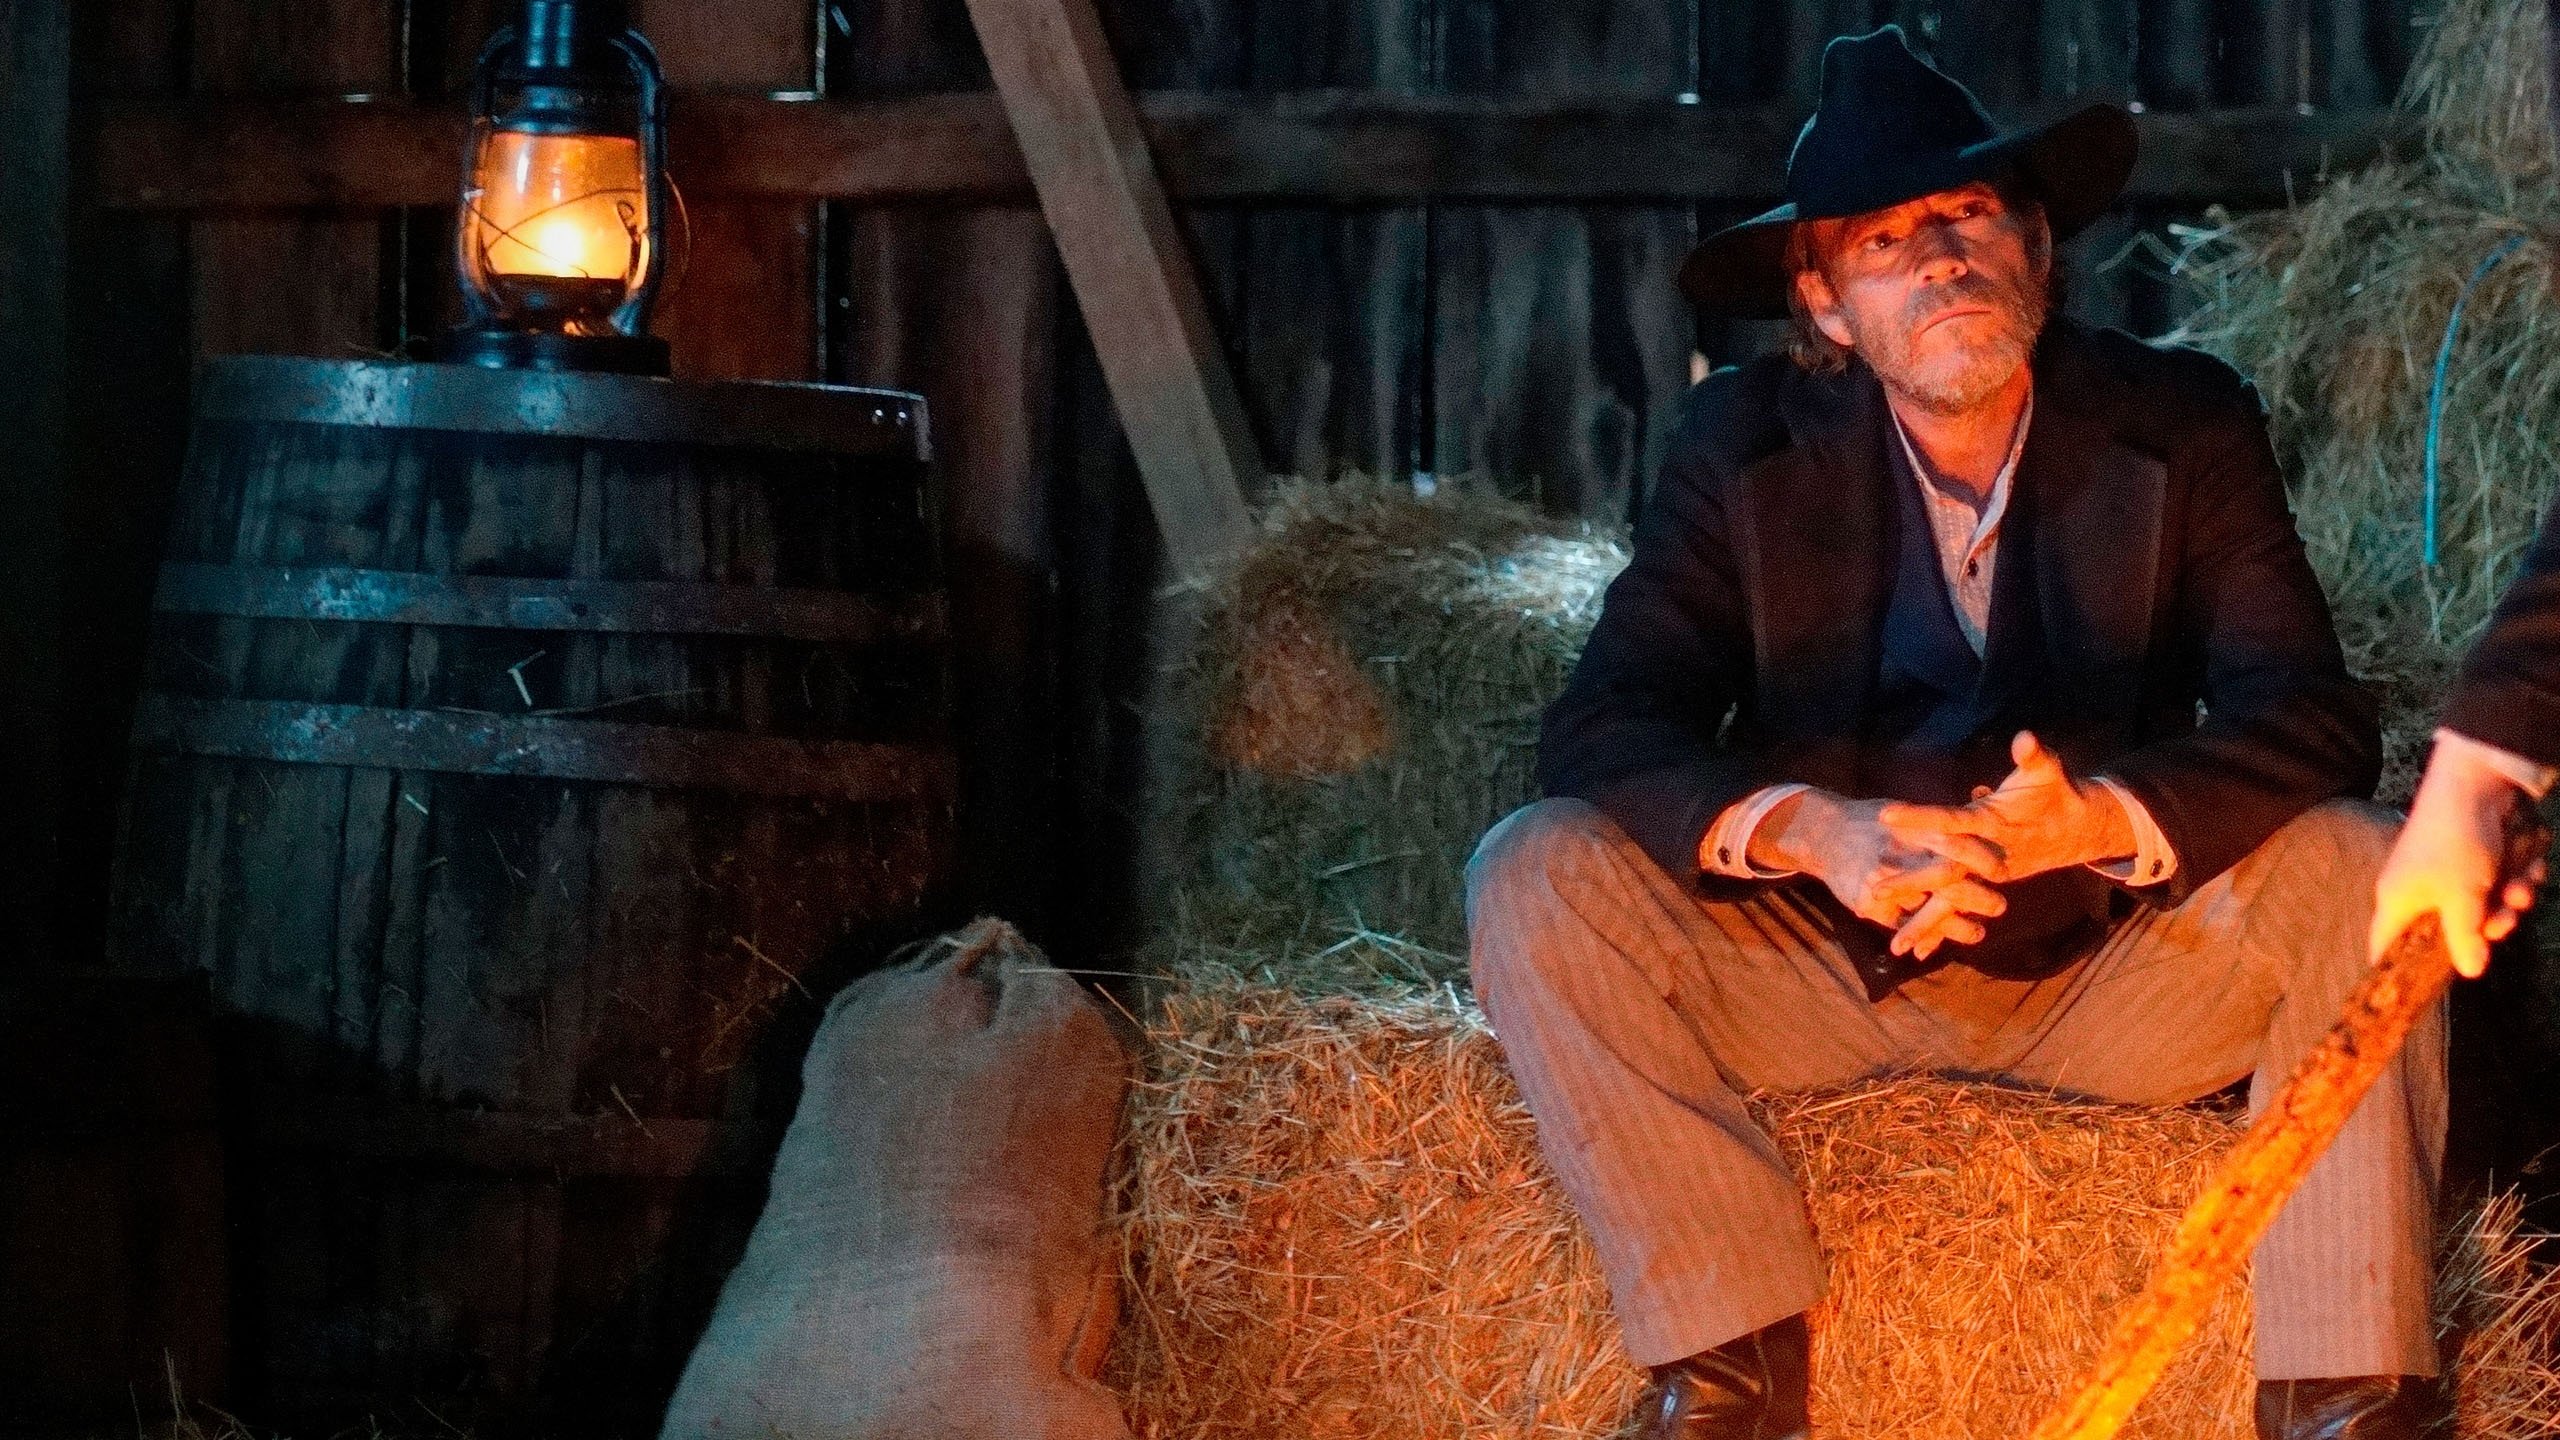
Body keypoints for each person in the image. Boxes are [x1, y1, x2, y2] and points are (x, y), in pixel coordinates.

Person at [1466, 27, 2439, 1440]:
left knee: (2368, 862)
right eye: (1884, 239)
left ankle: (2347, 1399)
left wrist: (2103, 820)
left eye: (1971, 214)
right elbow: (1606, 724)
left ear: (2035, 246)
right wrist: (1813, 833)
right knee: (1533, 870)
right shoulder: (1739, 444)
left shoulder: (2182, 420)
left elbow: (2312, 717)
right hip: (1824, 978)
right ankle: (1729, 1373)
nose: (1940, 259)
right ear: (1825, 304)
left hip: (2114, 982)